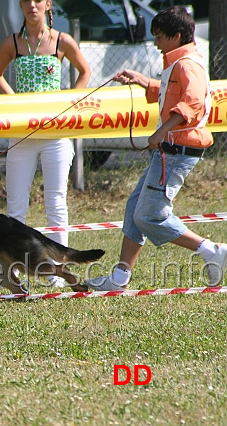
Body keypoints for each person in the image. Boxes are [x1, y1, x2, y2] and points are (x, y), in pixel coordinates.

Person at [85, 6, 226, 290]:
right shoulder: (178, 62)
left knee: (148, 216)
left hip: (177, 152)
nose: (156, 43)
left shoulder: (187, 64)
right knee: (135, 207)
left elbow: (193, 102)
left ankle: (213, 251)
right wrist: (142, 81)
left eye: (160, 36)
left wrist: (160, 132)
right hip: (169, 152)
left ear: (176, 36)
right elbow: (170, 91)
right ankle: (120, 278)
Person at [0, 0, 90, 288]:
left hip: (56, 134)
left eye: (37, 0)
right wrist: (15, 102)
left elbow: (85, 72)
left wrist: (70, 102)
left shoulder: (62, 40)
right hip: (22, 133)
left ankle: (59, 272)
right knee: (16, 206)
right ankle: (12, 271)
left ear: (47, 5)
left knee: (55, 201)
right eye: (26, 1)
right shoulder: (12, 42)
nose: (31, 5)